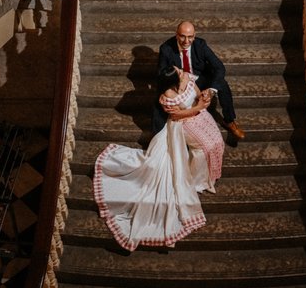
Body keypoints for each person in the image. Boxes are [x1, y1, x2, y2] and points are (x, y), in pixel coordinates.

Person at [93, 66, 223, 251]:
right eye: (179, 74)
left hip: (201, 116)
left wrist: (204, 98)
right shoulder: (168, 95)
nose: (182, 73)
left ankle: (208, 175)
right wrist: (198, 107)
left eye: (179, 71)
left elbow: (197, 94)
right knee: (203, 149)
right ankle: (196, 180)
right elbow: (177, 115)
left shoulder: (187, 78)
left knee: (217, 142)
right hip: (183, 124)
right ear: (172, 82)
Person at [154, 20, 246, 140]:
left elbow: (219, 67)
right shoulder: (166, 48)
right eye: (182, 36)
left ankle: (229, 121)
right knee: (157, 102)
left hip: (198, 79)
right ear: (176, 35)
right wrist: (167, 98)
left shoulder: (200, 45)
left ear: (194, 35)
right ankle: (157, 135)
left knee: (222, 84)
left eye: (190, 37)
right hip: (179, 83)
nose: (186, 41)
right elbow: (161, 75)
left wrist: (211, 90)